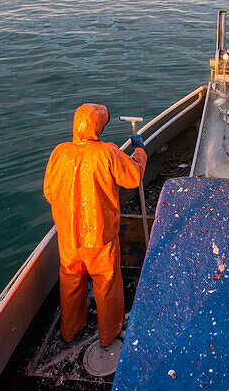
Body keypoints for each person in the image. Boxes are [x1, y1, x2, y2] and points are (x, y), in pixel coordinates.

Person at [43, 103, 148, 348]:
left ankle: (70, 330)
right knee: (106, 284)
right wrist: (140, 150)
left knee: (70, 282)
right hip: (99, 237)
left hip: (68, 237)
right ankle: (108, 335)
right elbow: (133, 178)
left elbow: (49, 191)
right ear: (98, 127)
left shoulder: (59, 152)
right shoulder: (107, 152)